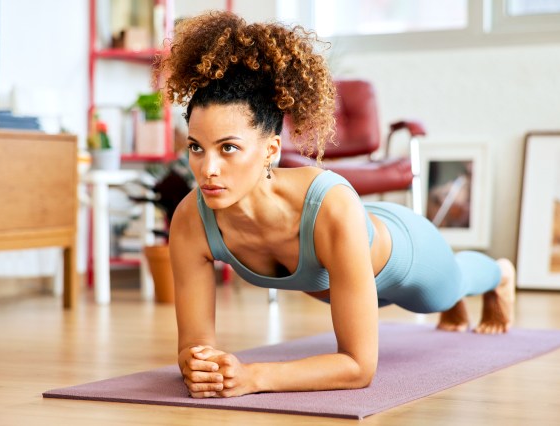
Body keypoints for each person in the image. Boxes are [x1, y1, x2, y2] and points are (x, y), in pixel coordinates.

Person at [158, 11, 516, 399]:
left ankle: (499, 274)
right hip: (339, 281)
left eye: (229, 148)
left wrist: (253, 377)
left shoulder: (330, 205)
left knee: (447, 291)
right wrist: (200, 366)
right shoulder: (192, 220)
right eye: (196, 147)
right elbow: (192, 347)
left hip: (405, 253)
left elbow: (359, 367)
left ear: (271, 151)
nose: (207, 169)